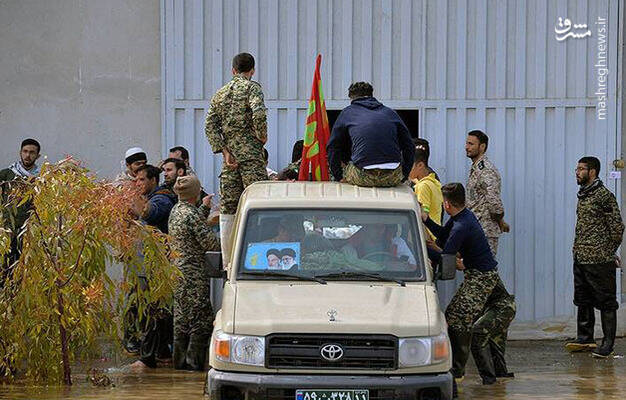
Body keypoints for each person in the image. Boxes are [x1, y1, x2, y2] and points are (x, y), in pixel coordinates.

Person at [421, 183, 502, 386]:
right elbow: (441, 237)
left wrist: (423, 247)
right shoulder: (461, 217)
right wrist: (426, 221)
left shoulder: (461, 226)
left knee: (458, 320)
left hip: (482, 277)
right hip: (476, 274)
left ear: (446, 204)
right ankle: (461, 368)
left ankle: (457, 371)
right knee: (453, 317)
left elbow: (446, 257)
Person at [205, 52, 268, 268]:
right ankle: (257, 261)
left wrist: (223, 150)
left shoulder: (220, 94)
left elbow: (210, 125)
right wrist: (262, 135)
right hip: (250, 155)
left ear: (233, 70)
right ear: (252, 70)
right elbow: (258, 114)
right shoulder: (252, 88)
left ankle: (229, 263)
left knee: (228, 208)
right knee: (258, 203)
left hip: (230, 158)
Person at [566, 157, 624, 358]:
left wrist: (607, 251)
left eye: (581, 169)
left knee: (606, 302)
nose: (577, 172)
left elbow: (617, 227)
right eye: (577, 168)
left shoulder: (603, 196)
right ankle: (585, 338)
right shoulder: (584, 194)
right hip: (581, 256)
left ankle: (608, 344)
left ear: (593, 172)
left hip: (599, 260)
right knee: (583, 299)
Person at [168, 175, 220, 370]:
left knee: (182, 318)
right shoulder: (190, 215)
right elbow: (210, 243)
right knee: (202, 319)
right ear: (195, 192)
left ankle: (179, 365)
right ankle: (194, 365)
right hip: (193, 273)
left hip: (179, 272)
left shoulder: (177, 210)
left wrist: (204, 208)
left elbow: (191, 223)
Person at [327, 82, 414, 187]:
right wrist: (404, 174)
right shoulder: (390, 113)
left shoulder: (348, 112)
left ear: (351, 98)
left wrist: (338, 176)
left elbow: (333, 146)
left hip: (362, 176)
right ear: (372, 95)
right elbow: (409, 145)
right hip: (392, 176)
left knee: (346, 166)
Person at [0, 139, 42, 286]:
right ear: (20, 152)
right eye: (25, 151)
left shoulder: (42, 178)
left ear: (38, 156)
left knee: (22, 274)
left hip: (28, 233)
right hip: (6, 232)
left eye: (32, 152)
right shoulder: (7, 175)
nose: (27, 155)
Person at [465, 130, 509, 256]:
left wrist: (499, 220)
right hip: (475, 229)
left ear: (482, 147)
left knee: (484, 271)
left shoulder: (486, 171)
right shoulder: (476, 169)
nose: (467, 147)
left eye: (471, 144)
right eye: (466, 143)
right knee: (474, 271)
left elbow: (494, 203)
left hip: (484, 232)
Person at [131, 165, 176, 234]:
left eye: (142, 179)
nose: (137, 184)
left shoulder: (163, 198)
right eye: (136, 180)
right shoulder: (149, 197)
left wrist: (144, 210)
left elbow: (154, 211)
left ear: (153, 180)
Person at [410, 146, 443, 240]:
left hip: (427, 238)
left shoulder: (423, 187)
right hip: (435, 235)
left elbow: (423, 217)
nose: (407, 169)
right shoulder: (433, 182)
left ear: (420, 165)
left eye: (410, 165)